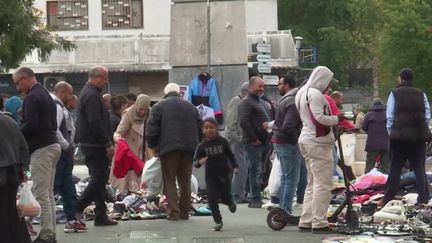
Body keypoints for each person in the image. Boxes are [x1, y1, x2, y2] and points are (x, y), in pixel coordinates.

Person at [13, 67, 62, 243]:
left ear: (25, 78)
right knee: (47, 193)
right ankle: (50, 233)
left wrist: (16, 136)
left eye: (17, 83)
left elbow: (31, 124)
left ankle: (47, 235)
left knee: (42, 194)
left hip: (42, 148)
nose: (17, 87)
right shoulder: (45, 94)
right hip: (52, 145)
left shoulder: (32, 97)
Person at [295, 66, 343, 233]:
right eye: (328, 82)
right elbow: (319, 119)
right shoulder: (315, 94)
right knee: (323, 183)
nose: (329, 86)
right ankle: (319, 221)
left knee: (312, 183)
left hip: (306, 140)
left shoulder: (302, 92)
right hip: (318, 142)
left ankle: (306, 219)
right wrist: (337, 119)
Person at [146, 83, 200, 220]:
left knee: (169, 180)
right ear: (179, 93)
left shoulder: (159, 106)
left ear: (165, 93)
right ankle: (184, 212)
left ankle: (173, 212)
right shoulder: (191, 107)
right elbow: (200, 128)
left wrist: (153, 145)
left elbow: (152, 128)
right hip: (189, 149)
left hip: (169, 148)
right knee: (185, 181)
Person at [378, 68, 431, 207]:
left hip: (399, 138)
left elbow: (389, 116)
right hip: (418, 138)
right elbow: (427, 116)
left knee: (395, 168)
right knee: (419, 168)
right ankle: (424, 198)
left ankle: (388, 197)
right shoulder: (421, 93)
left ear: (401, 78)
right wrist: (422, 130)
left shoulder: (394, 93)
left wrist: (392, 133)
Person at [75, 65, 118, 226]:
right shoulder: (91, 95)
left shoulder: (90, 93)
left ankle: (100, 214)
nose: (106, 81)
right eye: (104, 78)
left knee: (98, 179)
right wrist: (107, 143)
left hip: (92, 143)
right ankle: (78, 206)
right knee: (99, 179)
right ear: (96, 77)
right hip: (95, 144)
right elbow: (95, 121)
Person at [51, 81, 87, 233]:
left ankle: (71, 219)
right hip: (61, 154)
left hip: (65, 155)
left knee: (67, 187)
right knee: (54, 187)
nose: (72, 97)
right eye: (71, 94)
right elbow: (55, 129)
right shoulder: (58, 108)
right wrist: (66, 146)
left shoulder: (63, 108)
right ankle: (30, 217)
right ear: (64, 92)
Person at [194, 118, 238, 231]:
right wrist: (201, 161)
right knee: (212, 198)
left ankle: (230, 201)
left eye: (211, 127)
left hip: (224, 173)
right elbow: (195, 162)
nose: (209, 130)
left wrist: (235, 166)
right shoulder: (202, 146)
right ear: (203, 130)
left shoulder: (222, 141)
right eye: (206, 128)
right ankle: (218, 221)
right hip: (211, 176)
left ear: (216, 128)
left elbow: (230, 155)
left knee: (225, 194)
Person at [271, 74, 306, 214]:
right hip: (287, 143)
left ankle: (283, 208)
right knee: (291, 178)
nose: (278, 86)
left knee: (287, 177)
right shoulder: (292, 102)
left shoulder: (286, 100)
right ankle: (285, 210)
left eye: (280, 83)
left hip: (280, 141)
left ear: (287, 85)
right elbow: (288, 126)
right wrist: (297, 141)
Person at [239, 76, 273, 208]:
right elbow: (244, 122)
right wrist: (254, 139)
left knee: (261, 170)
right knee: (256, 170)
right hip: (254, 143)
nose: (261, 89)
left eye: (263, 86)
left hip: (264, 142)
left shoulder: (261, 102)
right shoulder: (246, 102)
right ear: (250, 86)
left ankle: (256, 196)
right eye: (259, 86)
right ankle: (255, 199)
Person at [110, 94, 151, 194]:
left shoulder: (151, 114)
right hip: (130, 152)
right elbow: (119, 132)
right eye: (140, 109)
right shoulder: (128, 114)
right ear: (136, 105)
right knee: (127, 184)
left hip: (144, 153)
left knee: (144, 182)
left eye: (145, 109)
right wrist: (118, 139)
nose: (143, 112)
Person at [0, 113, 31, 243]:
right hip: (13, 173)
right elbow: (24, 148)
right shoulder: (10, 121)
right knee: (12, 211)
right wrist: (23, 169)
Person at [224, 82, 250, 203]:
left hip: (238, 139)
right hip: (235, 140)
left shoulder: (241, 101)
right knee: (240, 166)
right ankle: (238, 194)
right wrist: (239, 138)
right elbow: (231, 123)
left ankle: (238, 193)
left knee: (241, 166)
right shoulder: (237, 101)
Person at [362, 98, 390, 174]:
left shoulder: (369, 115)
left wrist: (371, 132)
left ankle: (367, 183)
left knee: (370, 166)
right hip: (386, 144)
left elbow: (364, 127)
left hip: (372, 144)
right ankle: (386, 183)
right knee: (386, 166)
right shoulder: (388, 114)